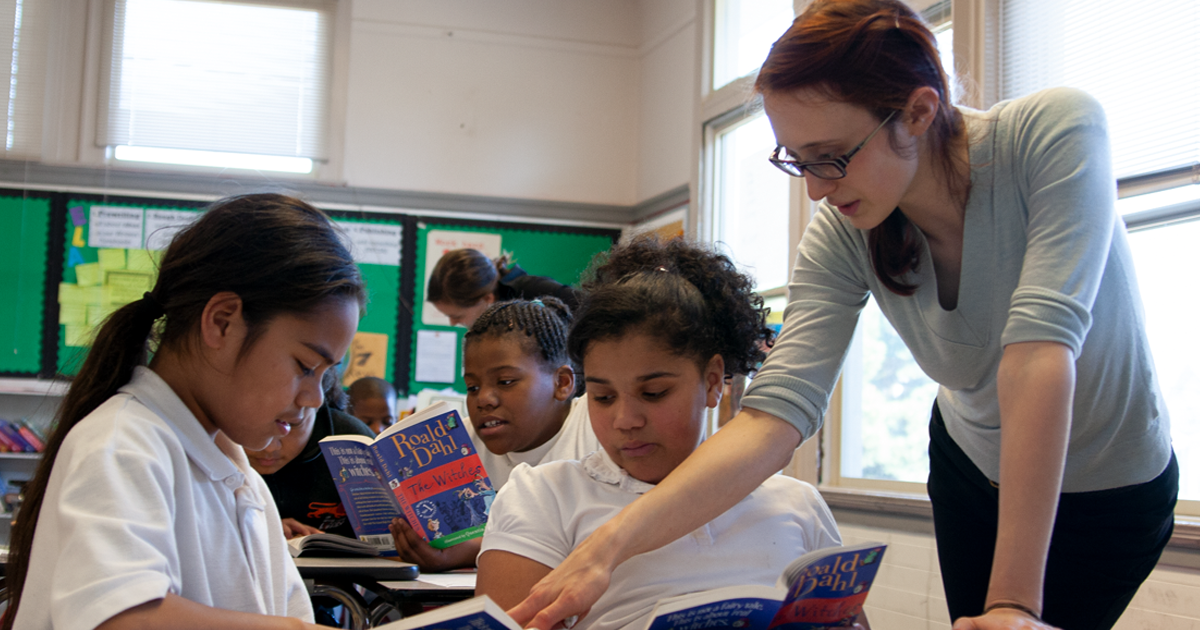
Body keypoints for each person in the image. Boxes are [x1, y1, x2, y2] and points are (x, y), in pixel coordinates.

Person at [506, 3, 1178, 630]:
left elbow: (1037, 356)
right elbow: (775, 417)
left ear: (918, 110)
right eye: (796, 161)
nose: (818, 188)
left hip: (1109, 481)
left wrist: (1011, 603)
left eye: (831, 157)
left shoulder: (1053, 132)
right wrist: (608, 546)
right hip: (973, 467)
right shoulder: (844, 229)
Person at [3, 194, 365, 630]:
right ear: (223, 322)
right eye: (305, 367)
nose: (313, 398)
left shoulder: (243, 478)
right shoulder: (121, 445)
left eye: (324, 376)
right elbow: (120, 619)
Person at [476, 236, 846, 630]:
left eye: (653, 393)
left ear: (712, 380)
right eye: (602, 397)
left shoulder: (796, 504)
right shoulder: (543, 496)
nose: (625, 419)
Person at [388, 297, 600, 571]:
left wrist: (472, 550)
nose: (484, 399)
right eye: (472, 387)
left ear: (562, 383)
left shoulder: (597, 428)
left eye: (505, 382)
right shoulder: (454, 445)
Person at [245, 370, 375, 540]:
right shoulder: (211, 440)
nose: (269, 447)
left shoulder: (352, 442)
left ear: (318, 407)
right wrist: (258, 526)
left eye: (293, 424)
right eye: (254, 423)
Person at [427, 248, 582, 327]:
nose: (452, 323)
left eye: (457, 316)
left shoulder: (532, 291)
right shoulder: (493, 319)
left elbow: (593, 310)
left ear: (487, 298)